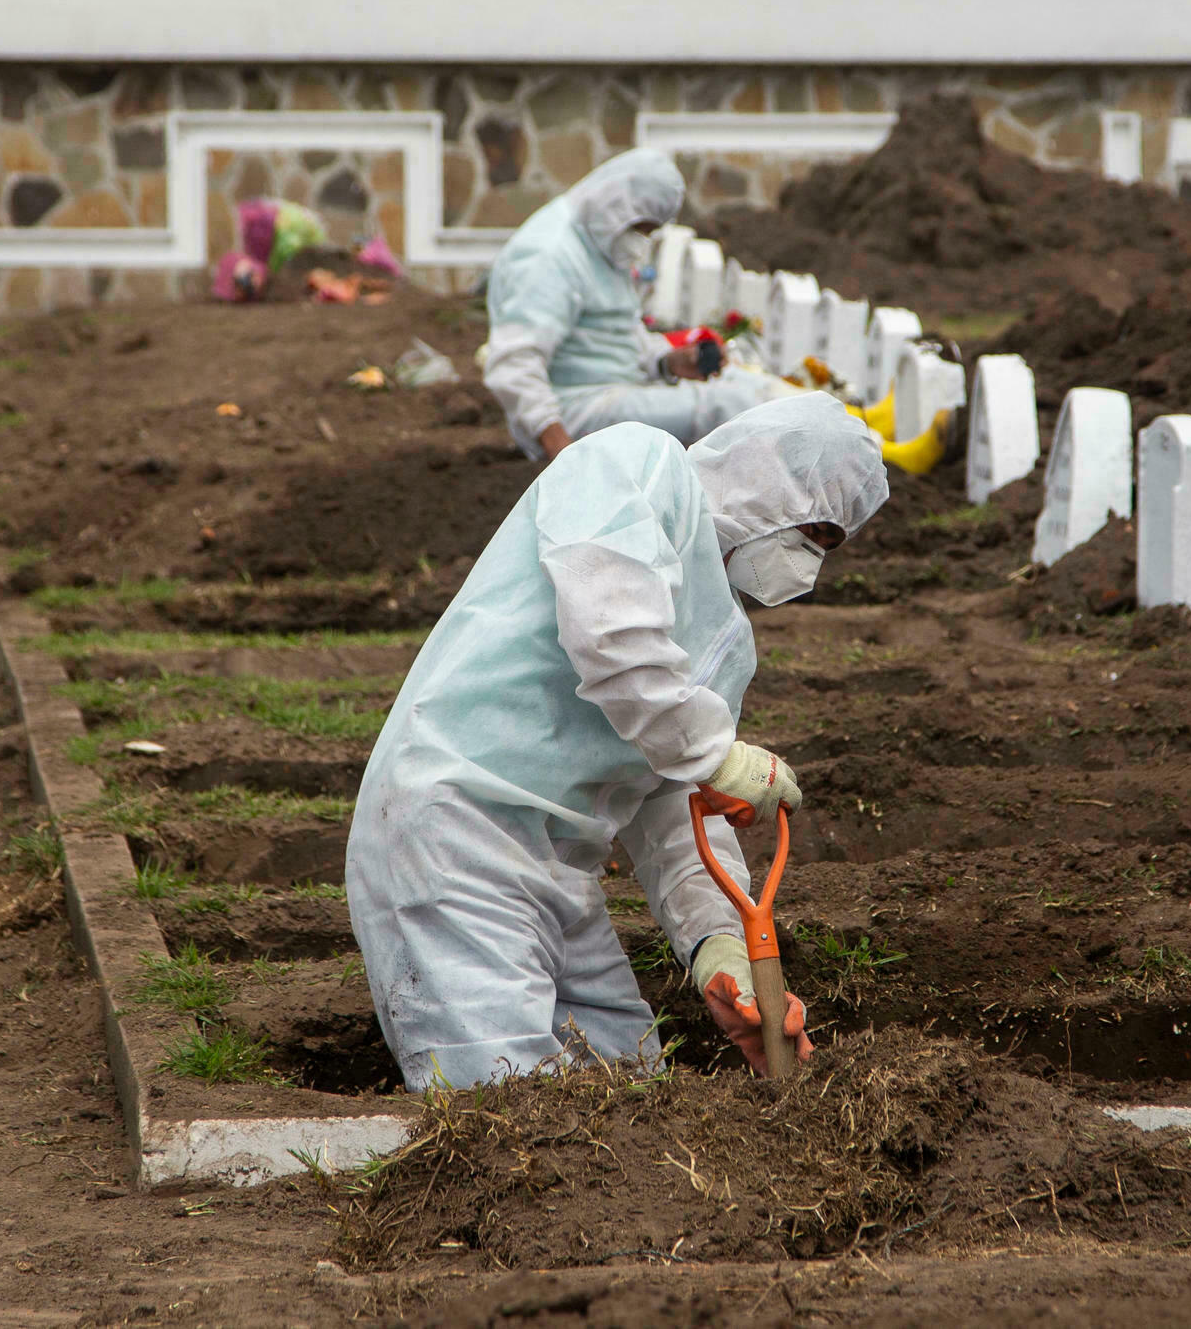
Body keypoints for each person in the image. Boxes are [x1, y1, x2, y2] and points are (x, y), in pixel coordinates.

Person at [349, 395, 888, 1089]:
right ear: (767, 475)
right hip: (453, 832)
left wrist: (720, 951)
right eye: (813, 531)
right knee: (510, 1118)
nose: (809, 565)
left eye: (829, 546)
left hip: (557, 873)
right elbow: (612, 637)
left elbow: (677, 807)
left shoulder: (721, 644)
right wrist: (717, 757)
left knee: (634, 1101)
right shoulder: (634, 465)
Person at [483, 149, 795, 461]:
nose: (642, 240)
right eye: (641, 229)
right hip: (576, 411)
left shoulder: (598, 240)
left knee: (754, 387)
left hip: (612, 393)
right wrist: (565, 458)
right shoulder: (549, 257)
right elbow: (514, 366)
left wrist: (667, 361)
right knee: (729, 406)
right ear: (618, 207)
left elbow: (615, 333)